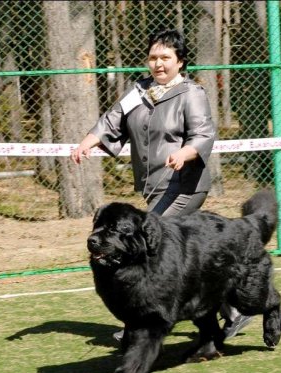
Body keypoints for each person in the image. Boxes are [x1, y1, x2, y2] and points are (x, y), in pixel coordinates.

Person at [71, 28, 252, 341]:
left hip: (185, 186)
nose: (158, 64)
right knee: (183, 253)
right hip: (154, 187)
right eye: (153, 57)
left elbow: (203, 134)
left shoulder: (192, 94)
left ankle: (139, 324)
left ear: (180, 61)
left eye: (166, 57)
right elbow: (111, 121)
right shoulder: (138, 91)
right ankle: (232, 310)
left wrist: (185, 152)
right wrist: (87, 142)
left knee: (152, 246)